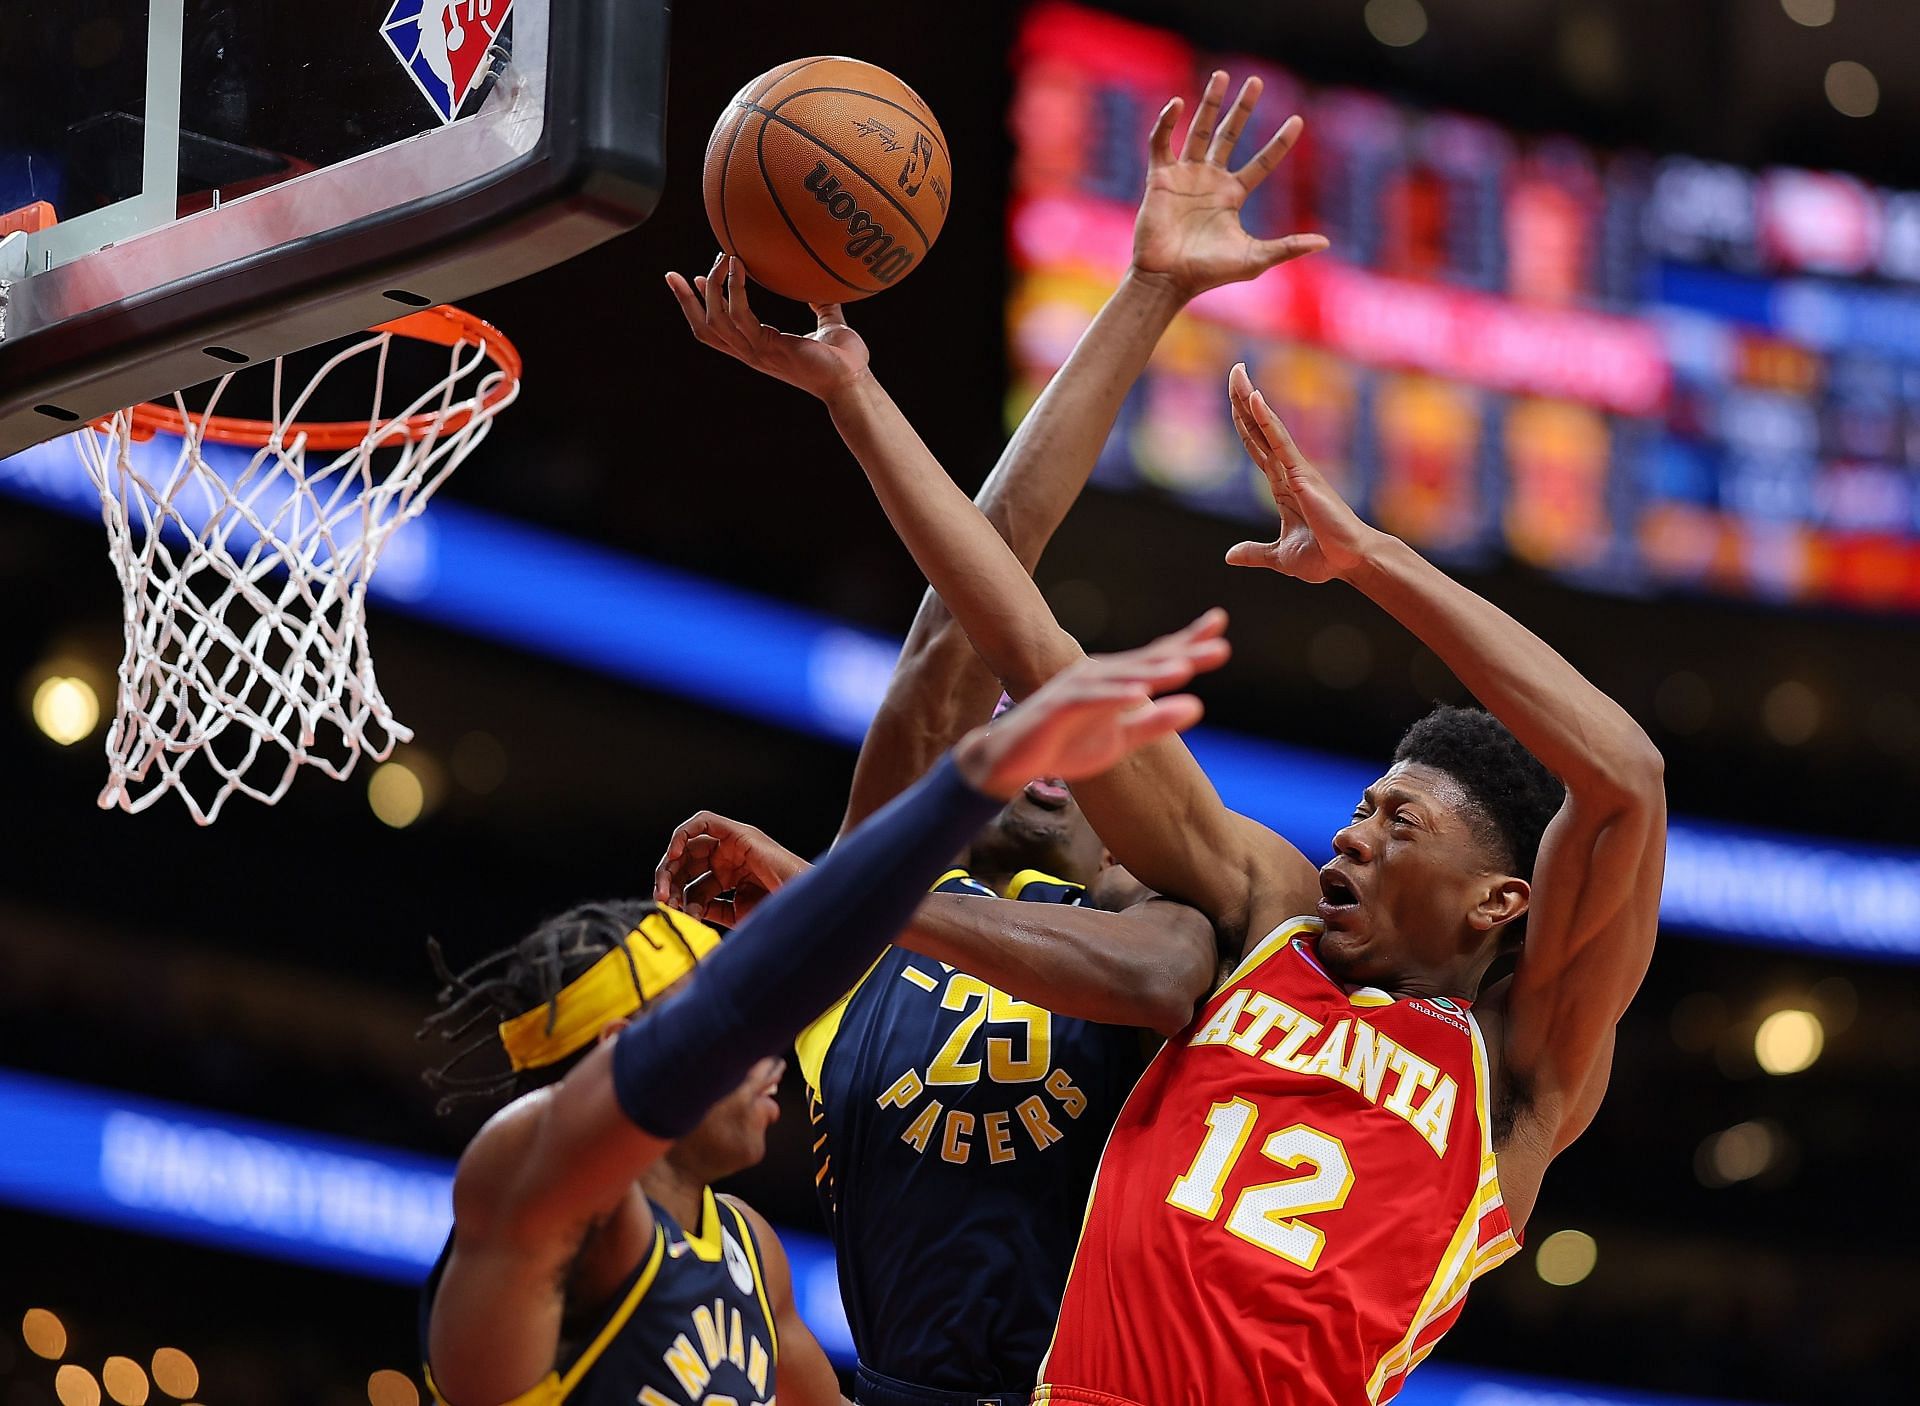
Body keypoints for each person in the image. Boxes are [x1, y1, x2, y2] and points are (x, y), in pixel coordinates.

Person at [668, 155, 1667, 1406]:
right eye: (1360, 804)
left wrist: (1375, 558)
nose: (1352, 831)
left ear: (1496, 901)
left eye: (1398, 818)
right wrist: (857, 400)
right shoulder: (1271, 924)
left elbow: (1623, 777)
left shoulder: (1515, 1079)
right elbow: (1027, 645)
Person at [661, 72, 1324, 1406]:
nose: (1022, 726)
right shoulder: (868, 882)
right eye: (1012, 717)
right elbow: (981, 585)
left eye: (1068, 741)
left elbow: (1145, 976)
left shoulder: (1172, 925)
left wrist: (844, 900)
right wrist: (853, 388)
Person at [412, 618, 1231, 1406]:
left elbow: (1161, 977)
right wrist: (948, 799)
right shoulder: (535, 1192)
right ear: (638, 1050)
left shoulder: (744, 1253)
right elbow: (931, 670)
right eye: (730, 1024)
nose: (765, 1048)